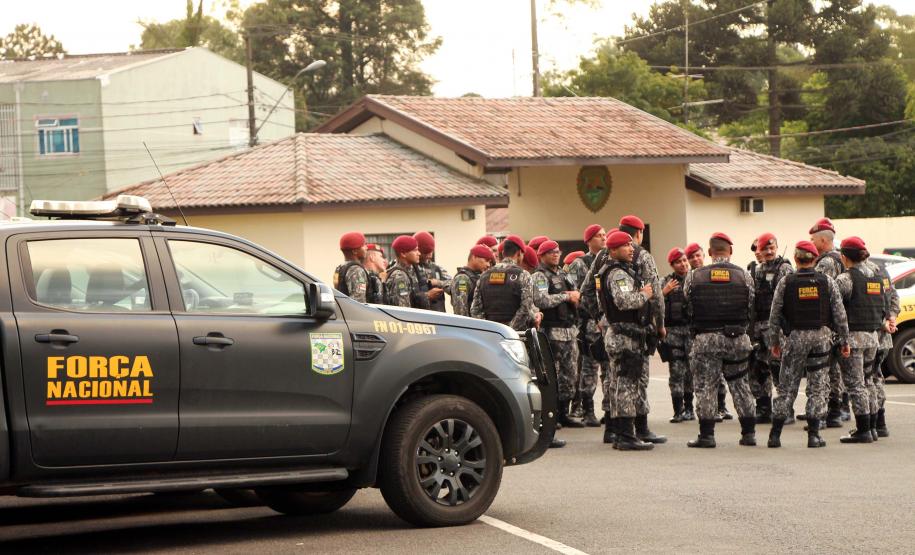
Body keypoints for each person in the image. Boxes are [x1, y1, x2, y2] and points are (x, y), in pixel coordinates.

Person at [767, 241, 850, 448]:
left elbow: (774, 315)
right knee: (817, 387)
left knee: (787, 387)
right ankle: (814, 436)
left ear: (796, 259)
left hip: (794, 339)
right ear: (814, 259)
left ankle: (775, 436)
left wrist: (774, 342)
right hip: (821, 339)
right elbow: (840, 315)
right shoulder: (827, 282)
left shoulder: (785, 282)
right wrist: (844, 340)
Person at [683, 232, 758, 448]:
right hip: (737, 338)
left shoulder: (694, 276)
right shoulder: (744, 276)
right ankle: (749, 434)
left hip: (706, 339)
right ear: (730, 251)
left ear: (709, 252)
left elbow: (688, 305)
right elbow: (751, 306)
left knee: (706, 387)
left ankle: (707, 436)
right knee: (740, 385)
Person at [596, 230, 663, 450]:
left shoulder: (619, 270)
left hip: (623, 334)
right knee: (625, 385)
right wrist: (645, 294)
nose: (631, 248)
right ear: (613, 250)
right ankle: (626, 436)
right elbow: (624, 302)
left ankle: (620, 433)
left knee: (620, 383)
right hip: (624, 336)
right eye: (626, 245)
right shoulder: (618, 274)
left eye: (631, 245)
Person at [834, 236, 885, 444]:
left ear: (844, 257)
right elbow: (883, 306)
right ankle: (872, 427)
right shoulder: (876, 277)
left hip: (853, 338)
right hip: (873, 337)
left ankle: (863, 430)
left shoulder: (845, 279)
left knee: (856, 385)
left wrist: (841, 338)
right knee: (868, 382)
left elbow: (835, 309)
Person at [532, 240, 587, 427]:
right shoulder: (539, 276)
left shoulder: (564, 274)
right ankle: (551, 416)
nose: (555, 254)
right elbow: (541, 300)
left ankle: (564, 413)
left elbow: (576, 294)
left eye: (557, 251)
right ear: (541, 255)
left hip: (569, 331)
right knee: (551, 376)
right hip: (551, 332)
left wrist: (576, 298)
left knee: (570, 375)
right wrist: (566, 296)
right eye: (551, 252)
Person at [809, 217, 851, 427]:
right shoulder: (841, 259)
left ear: (823, 241)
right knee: (838, 368)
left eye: (813, 240)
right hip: (841, 320)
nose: (811, 244)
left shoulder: (826, 262)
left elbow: (818, 291)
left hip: (830, 322)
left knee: (829, 368)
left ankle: (833, 411)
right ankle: (841, 408)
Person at [751, 232, 793, 424]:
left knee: (779, 368)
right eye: (765, 248)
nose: (769, 251)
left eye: (771, 247)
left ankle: (786, 410)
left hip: (777, 328)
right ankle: (764, 409)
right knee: (759, 369)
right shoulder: (756, 270)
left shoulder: (784, 268)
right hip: (758, 327)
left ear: (776, 247)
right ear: (759, 250)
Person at [566, 224, 607, 422]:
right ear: (589, 240)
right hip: (589, 322)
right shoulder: (579, 264)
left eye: (605, 235)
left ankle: (610, 410)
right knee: (589, 367)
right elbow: (572, 291)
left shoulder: (610, 259)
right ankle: (588, 410)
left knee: (609, 368)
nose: (604, 238)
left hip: (608, 321)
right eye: (599, 236)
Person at [685, 240, 728, 420]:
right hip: (699, 332)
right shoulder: (691, 278)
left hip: (721, 330)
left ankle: (721, 407)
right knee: (702, 375)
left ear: (705, 255)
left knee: (720, 373)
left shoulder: (716, 273)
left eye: (697, 255)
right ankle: (706, 412)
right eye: (691, 257)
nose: (695, 259)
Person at [471, 235, 539, 331]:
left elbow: (475, 309)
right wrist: (509, 330)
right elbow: (526, 308)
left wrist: (488, 330)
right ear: (519, 253)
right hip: (515, 335)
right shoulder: (523, 275)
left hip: (490, 334)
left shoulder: (484, 276)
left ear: (503, 253)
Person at [864, 256, 899, 437]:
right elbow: (894, 297)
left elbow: (865, 307)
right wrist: (892, 317)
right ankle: (880, 423)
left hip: (870, 335)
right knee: (877, 378)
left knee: (868, 380)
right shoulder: (882, 272)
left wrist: (884, 323)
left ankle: (872, 423)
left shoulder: (861, 275)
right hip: (883, 337)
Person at [661, 247, 693, 423]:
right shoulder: (666, 281)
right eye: (678, 262)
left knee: (691, 372)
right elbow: (653, 302)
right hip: (673, 333)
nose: (683, 264)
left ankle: (689, 409)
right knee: (676, 372)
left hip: (691, 332)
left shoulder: (695, 279)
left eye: (685, 260)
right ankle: (678, 410)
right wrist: (664, 292)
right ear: (672, 265)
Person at [383, 235, 430, 309]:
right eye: (415, 250)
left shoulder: (409, 271)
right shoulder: (400, 276)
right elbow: (403, 309)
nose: (419, 253)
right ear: (403, 254)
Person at [451, 245, 494, 317]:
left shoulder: (479, 277)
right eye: (486, 260)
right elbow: (461, 311)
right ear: (474, 257)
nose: (488, 265)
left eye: (489, 262)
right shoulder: (462, 279)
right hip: (470, 323)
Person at [413, 232, 448, 313]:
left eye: (431, 252)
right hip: (419, 316)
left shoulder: (436, 268)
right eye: (426, 253)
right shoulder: (408, 269)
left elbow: (453, 285)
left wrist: (439, 283)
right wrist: (427, 296)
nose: (430, 256)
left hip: (438, 314)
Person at [333, 232, 371, 303]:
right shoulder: (356, 270)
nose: (367, 248)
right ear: (355, 251)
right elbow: (359, 301)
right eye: (363, 245)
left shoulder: (340, 268)